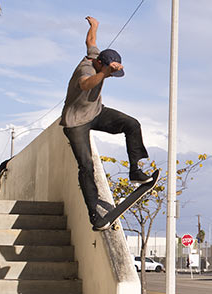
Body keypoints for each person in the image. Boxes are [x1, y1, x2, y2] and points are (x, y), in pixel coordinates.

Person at [60, 16, 153, 229]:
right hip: (75, 123)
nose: (109, 77)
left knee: (132, 124)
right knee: (86, 165)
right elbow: (85, 85)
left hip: (96, 112)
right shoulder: (87, 69)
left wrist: (94, 26)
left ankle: (135, 171)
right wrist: (103, 73)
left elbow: (90, 41)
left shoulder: (96, 55)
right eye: (109, 73)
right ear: (101, 64)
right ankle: (94, 213)